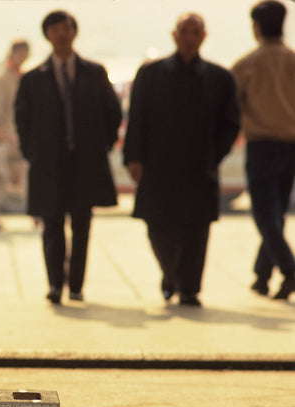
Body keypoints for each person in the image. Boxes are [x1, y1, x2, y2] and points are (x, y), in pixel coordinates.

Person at [123, 13, 240, 307]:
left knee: (196, 230)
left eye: (194, 32)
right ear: (174, 35)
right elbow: (136, 118)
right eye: (184, 31)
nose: (189, 37)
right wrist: (133, 157)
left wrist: (215, 154)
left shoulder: (220, 78)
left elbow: (231, 123)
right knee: (157, 226)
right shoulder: (151, 74)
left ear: (203, 36)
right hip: (158, 165)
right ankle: (170, 273)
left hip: (199, 165)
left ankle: (188, 288)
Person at [15, 10, 121, 304]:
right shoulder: (34, 78)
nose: (61, 34)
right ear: (47, 34)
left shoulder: (95, 71)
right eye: (55, 29)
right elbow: (22, 120)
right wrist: (32, 153)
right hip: (49, 165)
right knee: (51, 226)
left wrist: (103, 145)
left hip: (85, 164)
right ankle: (54, 285)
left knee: (82, 226)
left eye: (66, 28)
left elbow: (113, 112)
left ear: (74, 32)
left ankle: (76, 285)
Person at [232, 0, 295, 300]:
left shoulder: (247, 65)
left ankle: (289, 267)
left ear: (256, 27)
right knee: (276, 213)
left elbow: (230, 108)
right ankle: (262, 274)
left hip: (261, 146)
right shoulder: (293, 60)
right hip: (291, 146)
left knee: (265, 215)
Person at [0, 40, 30, 213]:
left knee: (18, 173)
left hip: (18, 133)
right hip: (6, 134)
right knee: (1, 176)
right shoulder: (3, 77)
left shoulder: (19, 75)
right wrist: (0, 131)